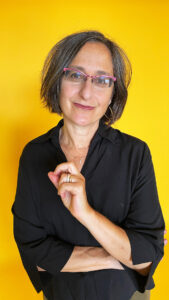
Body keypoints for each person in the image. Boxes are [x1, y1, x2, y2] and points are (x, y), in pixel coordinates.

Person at [12, 31, 165, 300]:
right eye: (75, 75)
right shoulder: (33, 155)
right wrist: (118, 257)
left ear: (112, 94)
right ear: (57, 80)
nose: (86, 92)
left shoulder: (136, 154)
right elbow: (34, 254)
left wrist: (86, 214)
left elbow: (146, 258)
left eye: (102, 80)